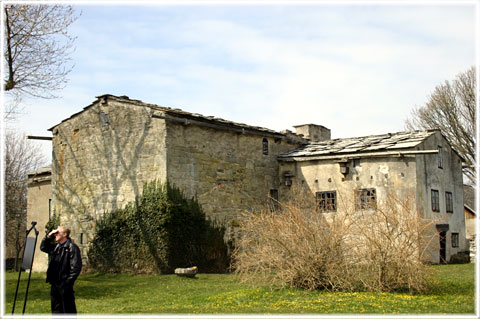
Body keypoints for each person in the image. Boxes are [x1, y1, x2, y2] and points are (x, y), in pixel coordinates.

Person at [40, 226, 82, 314]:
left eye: (58, 232)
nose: (55, 234)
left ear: (65, 234)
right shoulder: (56, 247)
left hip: (65, 283)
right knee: (56, 309)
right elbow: (43, 247)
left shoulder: (71, 247)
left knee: (68, 309)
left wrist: (67, 282)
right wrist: (49, 235)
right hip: (55, 283)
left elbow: (76, 267)